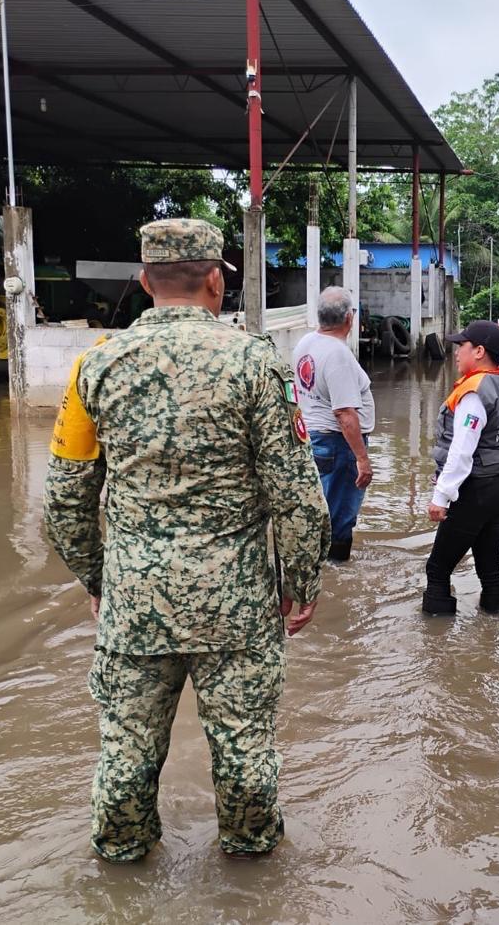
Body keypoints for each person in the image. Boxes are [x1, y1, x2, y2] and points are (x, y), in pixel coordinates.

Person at [43, 218, 330, 862]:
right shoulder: (256, 362)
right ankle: (251, 861)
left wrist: (99, 580)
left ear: (145, 282)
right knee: (246, 748)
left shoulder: (95, 364)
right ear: (216, 281)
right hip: (238, 602)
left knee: (125, 751)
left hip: (136, 598)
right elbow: (296, 494)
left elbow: (64, 499)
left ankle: (122, 862)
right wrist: (302, 581)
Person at [423, 319, 499, 616]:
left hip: (475, 490)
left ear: (479, 352)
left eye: (462, 346)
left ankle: (435, 637)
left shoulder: (474, 391)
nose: (456, 352)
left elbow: (462, 451)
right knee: (489, 568)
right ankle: (494, 626)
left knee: (438, 569)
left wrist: (441, 496)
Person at [292, 287, 375, 562]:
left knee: (320, 508)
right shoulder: (338, 355)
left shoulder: (306, 342)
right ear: (349, 318)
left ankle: (317, 565)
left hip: (314, 439)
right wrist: (362, 459)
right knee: (340, 516)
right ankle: (338, 570)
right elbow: (344, 413)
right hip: (338, 444)